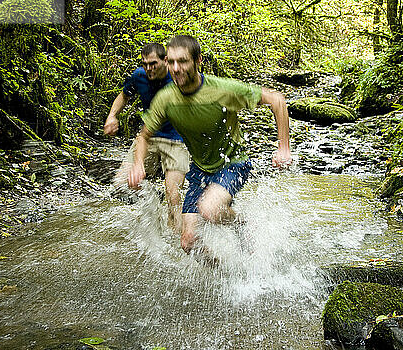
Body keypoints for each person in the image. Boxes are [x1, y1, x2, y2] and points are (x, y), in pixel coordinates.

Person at [128, 35, 292, 253]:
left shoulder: (221, 90)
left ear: (198, 61)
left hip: (232, 163)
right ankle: (222, 278)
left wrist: (284, 148)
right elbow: (143, 136)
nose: (176, 68)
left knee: (211, 209)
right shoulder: (165, 98)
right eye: (171, 61)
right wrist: (138, 164)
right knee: (188, 242)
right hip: (200, 170)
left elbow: (277, 99)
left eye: (183, 61)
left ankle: (240, 224)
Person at [104, 43, 190, 232]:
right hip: (147, 138)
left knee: (173, 194)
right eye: (145, 64)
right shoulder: (139, 76)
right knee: (120, 185)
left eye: (153, 64)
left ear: (165, 60)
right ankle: (153, 202)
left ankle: (177, 242)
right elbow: (124, 96)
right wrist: (112, 116)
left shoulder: (179, 79)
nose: (149, 69)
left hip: (177, 141)